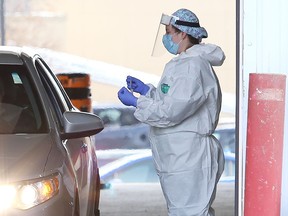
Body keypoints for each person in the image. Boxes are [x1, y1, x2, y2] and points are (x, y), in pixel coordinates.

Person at [117, 8, 225, 216]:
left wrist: (137, 103)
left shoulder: (192, 66)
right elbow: (173, 100)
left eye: (169, 32)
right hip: (180, 157)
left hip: (189, 158)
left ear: (183, 33)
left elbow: (171, 112)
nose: (166, 38)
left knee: (190, 212)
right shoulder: (183, 63)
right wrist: (147, 91)